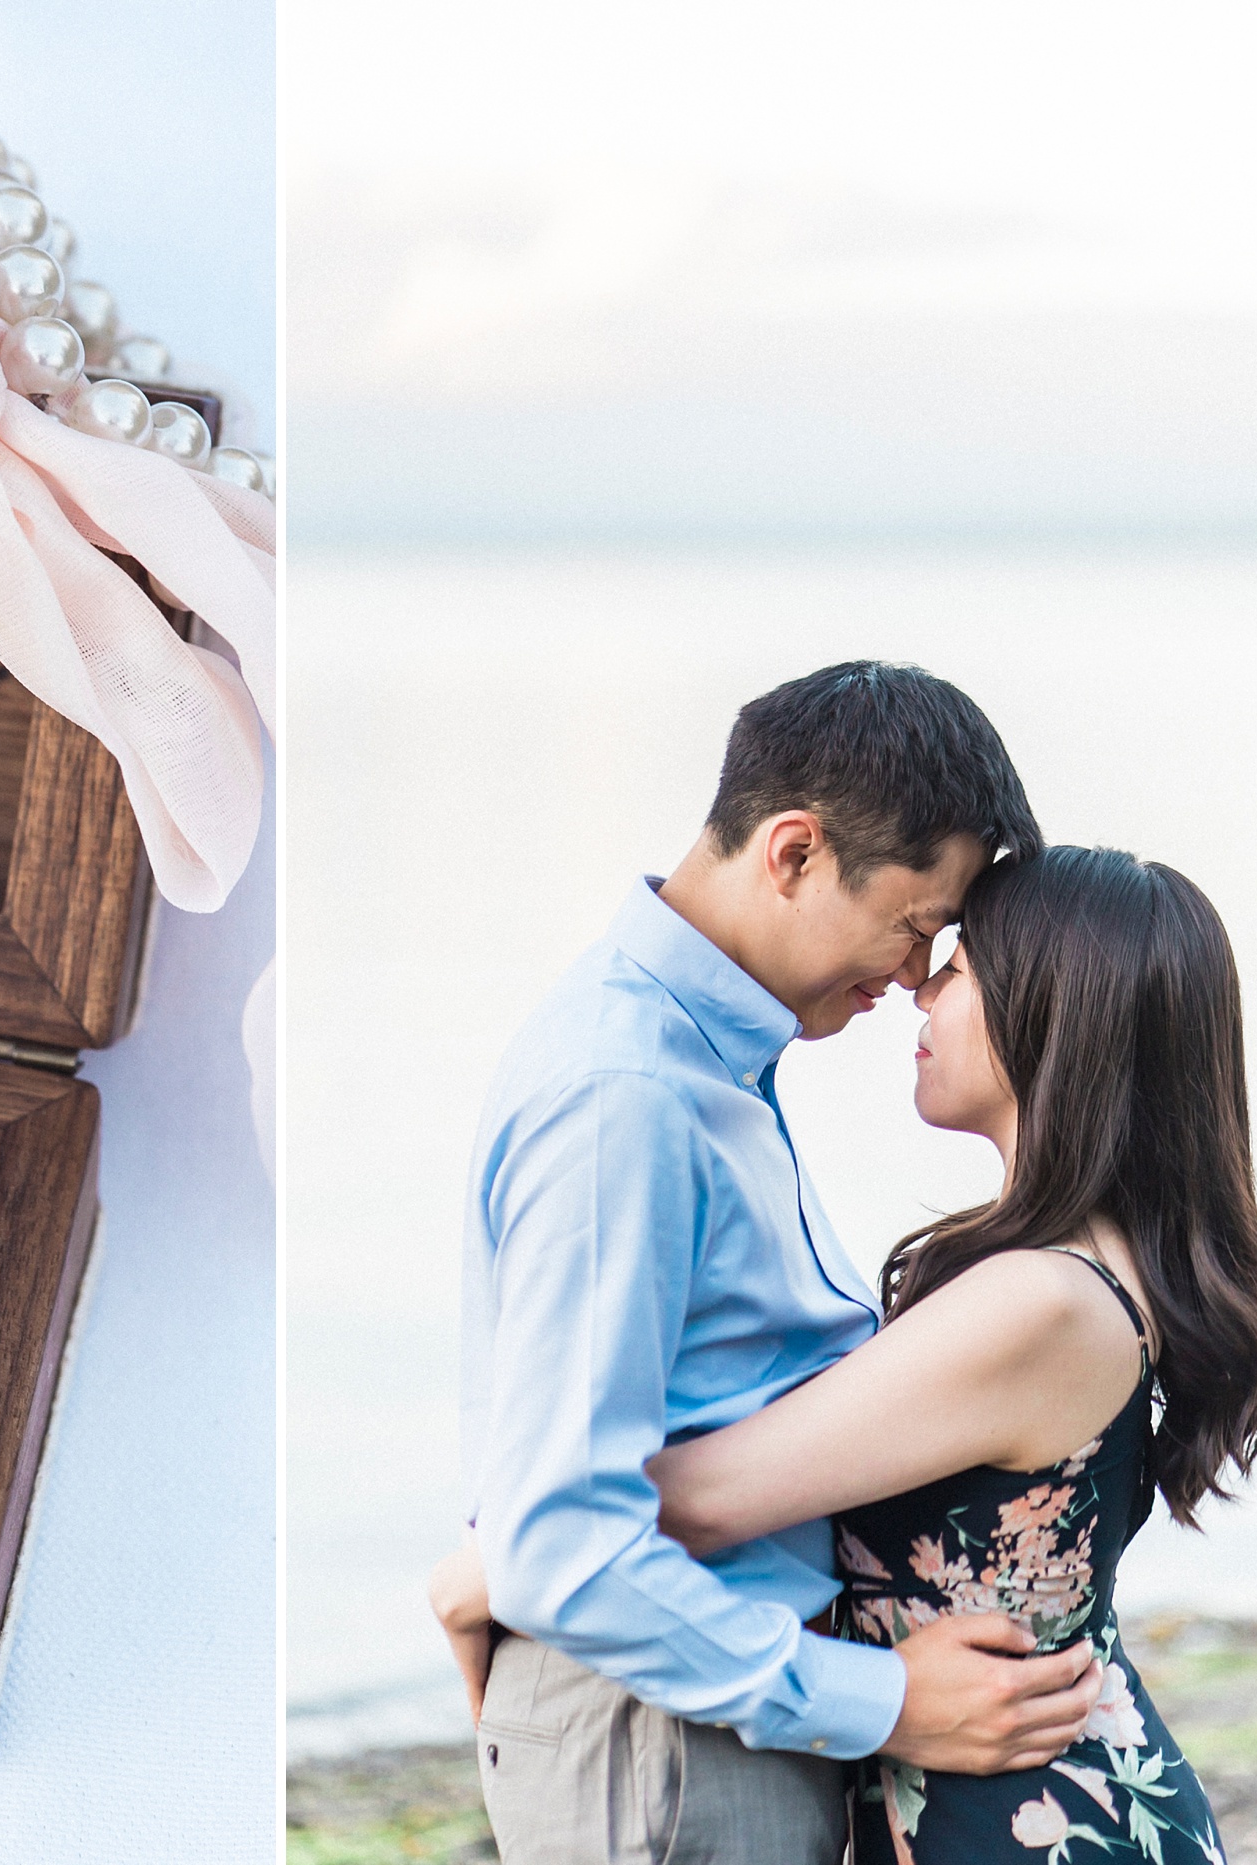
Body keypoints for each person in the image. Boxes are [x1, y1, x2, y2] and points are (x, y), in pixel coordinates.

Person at [438, 840, 1257, 1863]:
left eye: (962, 964)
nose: (920, 988)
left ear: (1054, 1016)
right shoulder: (1075, 1268)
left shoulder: (1038, 1301)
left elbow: (706, 1494)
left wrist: (481, 1569)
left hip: (1026, 1825)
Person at [442, 662, 1101, 1865]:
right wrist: (882, 1700)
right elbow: (563, 1542)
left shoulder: (703, 1063)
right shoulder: (625, 1095)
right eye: (914, 925)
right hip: (665, 1737)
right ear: (793, 852)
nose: (915, 973)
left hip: (700, 1719)